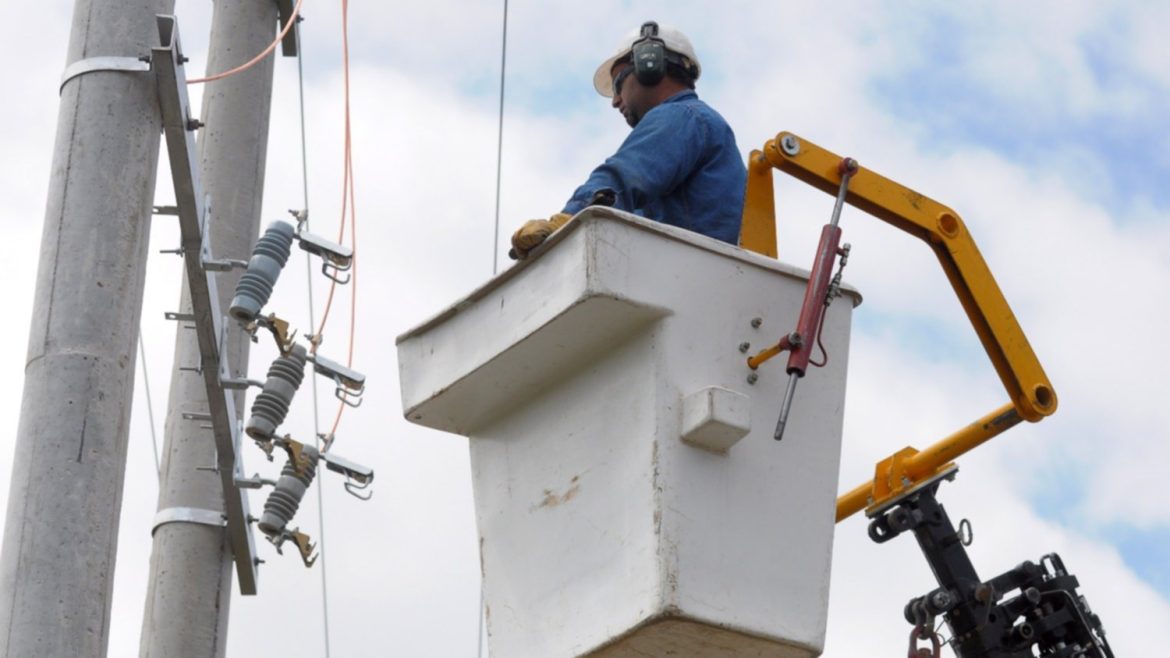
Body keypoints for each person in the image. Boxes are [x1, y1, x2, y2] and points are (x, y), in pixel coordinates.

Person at [510, 22, 747, 258]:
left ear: (649, 64)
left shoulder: (683, 116)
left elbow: (623, 177)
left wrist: (570, 219)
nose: (615, 101)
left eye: (617, 85)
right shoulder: (698, 125)